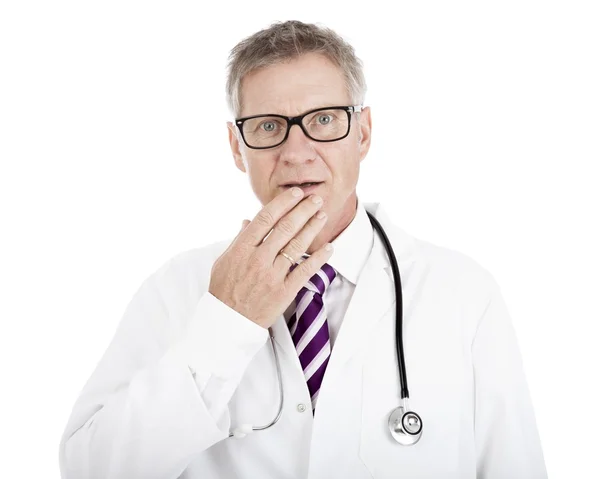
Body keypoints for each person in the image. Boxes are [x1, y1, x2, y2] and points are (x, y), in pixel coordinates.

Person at [59, 20, 547, 479]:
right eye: (269, 126)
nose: (296, 152)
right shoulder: (176, 290)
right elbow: (89, 466)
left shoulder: (464, 293)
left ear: (363, 133)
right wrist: (227, 322)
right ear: (236, 146)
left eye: (324, 119)